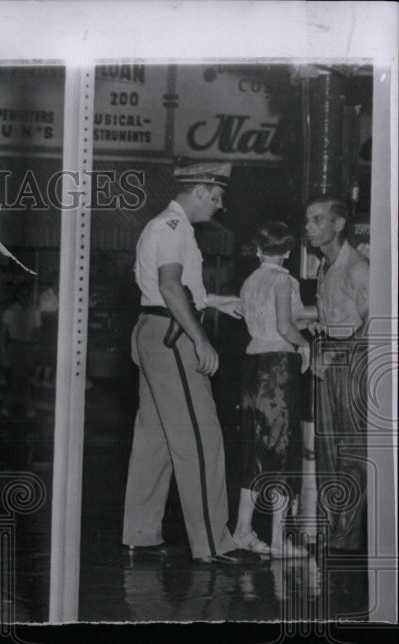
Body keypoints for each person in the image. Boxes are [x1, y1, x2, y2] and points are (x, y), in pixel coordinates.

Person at [121, 162, 250, 564]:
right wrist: (201, 339)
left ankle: (140, 534)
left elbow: (160, 286)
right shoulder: (174, 229)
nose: (219, 205)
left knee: (155, 437)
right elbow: (169, 285)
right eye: (217, 196)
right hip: (172, 337)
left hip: (151, 329)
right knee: (201, 435)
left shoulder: (162, 225)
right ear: (200, 190)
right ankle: (213, 542)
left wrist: (212, 300)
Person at [233, 221, 313, 559]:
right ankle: (280, 540)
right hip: (278, 366)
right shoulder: (283, 279)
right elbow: (285, 326)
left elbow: (277, 319)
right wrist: (305, 344)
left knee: (256, 447)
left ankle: (242, 529)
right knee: (281, 448)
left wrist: (309, 318)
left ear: (257, 250)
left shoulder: (251, 281)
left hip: (252, 365)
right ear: (291, 252)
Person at [304, 196, 370, 553]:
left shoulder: (358, 267)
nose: (309, 227)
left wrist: (334, 352)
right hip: (329, 361)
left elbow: (375, 325)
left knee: (351, 452)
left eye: (317, 220)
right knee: (327, 449)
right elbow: (330, 315)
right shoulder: (324, 266)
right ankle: (334, 534)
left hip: (351, 363)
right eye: (308, 221)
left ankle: (348, 537)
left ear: (338, 224)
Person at [0, 282, 41, 419]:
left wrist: (34, 350)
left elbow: (37, 332)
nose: (25, 297)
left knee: (22, 379)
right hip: (14, 347)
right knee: (19, 378)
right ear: (18, 295)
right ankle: (28, 409)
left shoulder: (35, 311)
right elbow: (2, 334)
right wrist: (4, 354)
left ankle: (7, 408)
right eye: (22, 294)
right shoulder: (10, 311)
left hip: (28, 348)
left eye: (27, 294)